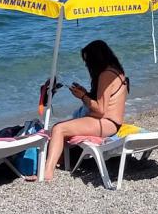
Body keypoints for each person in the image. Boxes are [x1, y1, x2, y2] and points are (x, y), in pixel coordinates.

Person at [33, 40, 129, 183]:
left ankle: (47, 173)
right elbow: (104, 102)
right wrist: (86, 94)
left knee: (59, 129)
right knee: (64, 127)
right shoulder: (116, 71)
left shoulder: (105, 75)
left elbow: (100, 111)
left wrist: (82, 96)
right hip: (112, 122)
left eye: (87, 61)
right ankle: (58, 162)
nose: (86, 65)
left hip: (106, 123)